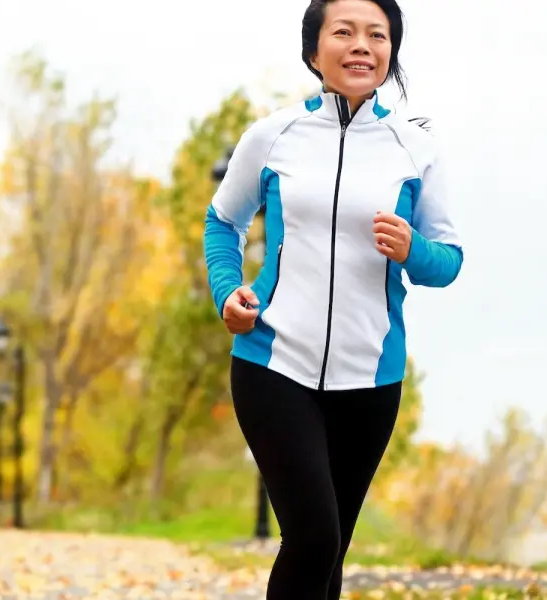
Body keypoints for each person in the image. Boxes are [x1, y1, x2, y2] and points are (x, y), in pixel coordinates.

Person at [203, 0, 463, 597]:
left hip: (370, 377)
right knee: (314, 534)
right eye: (343, 32)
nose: (361, 46)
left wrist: (412, 249)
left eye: (377, 35)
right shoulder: (274, 135)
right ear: (313, 50)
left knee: (331, 549)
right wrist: (227, 292)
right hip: (273, 362)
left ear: (391, 50)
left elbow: (447, 260)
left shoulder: (413, 147)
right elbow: (222, 223)